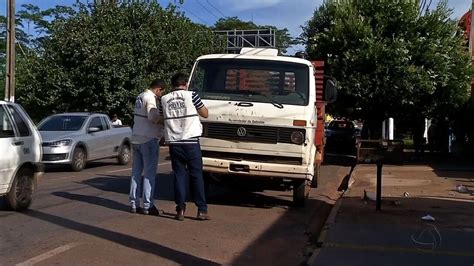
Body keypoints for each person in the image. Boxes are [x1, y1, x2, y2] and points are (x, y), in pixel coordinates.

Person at [160, 73, 210, 221]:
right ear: (185, 84)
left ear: (172, 85)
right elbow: (205, 113)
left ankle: (180, 209)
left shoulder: (164, 99)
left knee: (179, 175)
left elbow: (162, 118)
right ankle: (201, 210)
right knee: (196, 176)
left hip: (174, 143)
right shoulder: (192, 95)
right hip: (191, 141)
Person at [129, 79, 165, 215]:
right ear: (158, 89)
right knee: (149, 174)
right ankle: (148, 205)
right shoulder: (150, 97)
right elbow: (153, 116)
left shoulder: (140, 96)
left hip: (136, 137)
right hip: (148, 138)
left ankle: (133, 203)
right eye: (161, 93)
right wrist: (165, 119)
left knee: (135, 173)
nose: (160, 96)